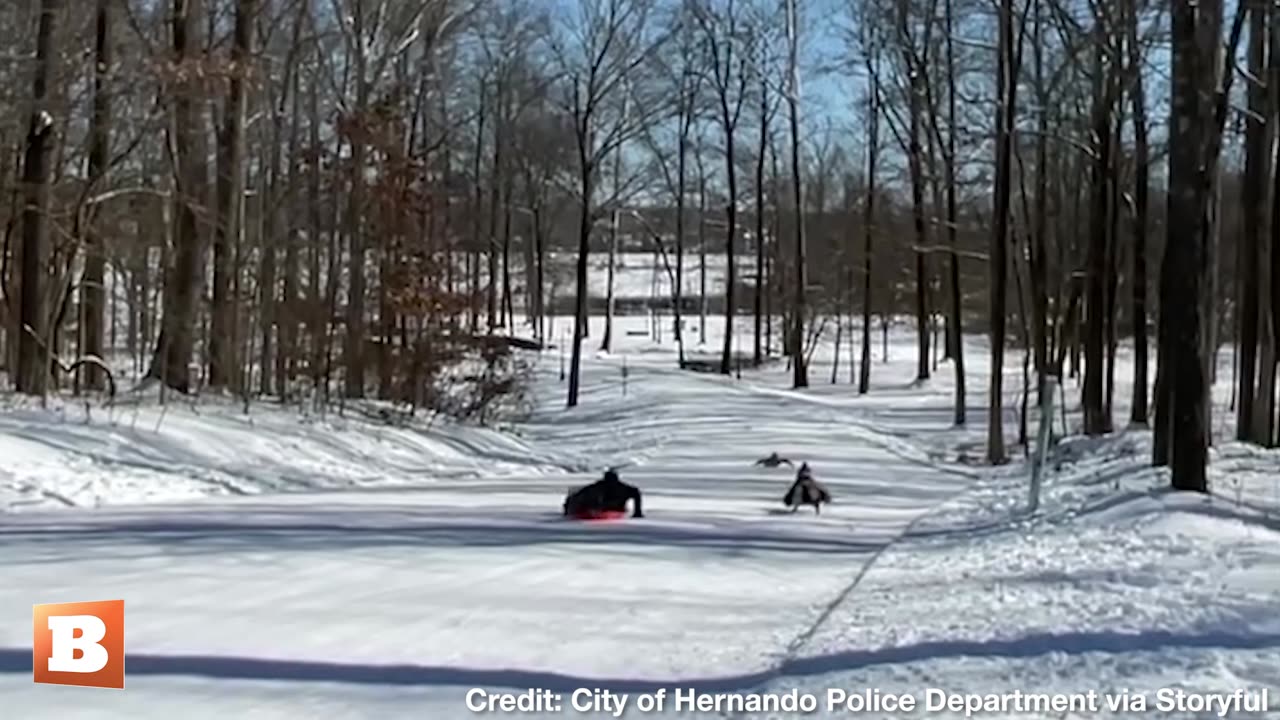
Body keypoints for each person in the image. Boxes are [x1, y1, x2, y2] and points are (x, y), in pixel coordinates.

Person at [563, 469, 644, 518]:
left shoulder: (600, 486)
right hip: (603, 508)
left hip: (608, 509)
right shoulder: (598, 487)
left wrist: (637, 512)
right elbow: (636, 492)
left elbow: (636, 493)